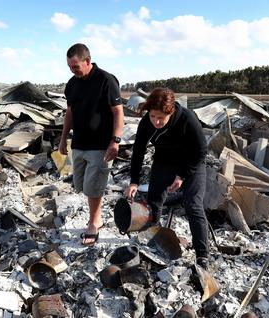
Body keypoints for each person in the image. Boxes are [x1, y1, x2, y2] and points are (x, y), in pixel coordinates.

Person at [123, 88, 210, 267]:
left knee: (193, 204)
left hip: (191, 163)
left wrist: (182, 176)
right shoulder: (147, 122)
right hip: (164, 160)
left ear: (171, 112)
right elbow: (138, 152)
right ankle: (154, 240)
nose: (156, 121)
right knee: (154, 201)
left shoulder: (187, 119)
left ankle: (202, 254)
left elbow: (201, 152)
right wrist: (134, 181)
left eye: (161, 117)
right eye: (153, 116)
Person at [59, 43, 124, 246]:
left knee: (94, 187)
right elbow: (70, 112)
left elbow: (118, 112)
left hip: (100, 145)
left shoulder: (106, 80)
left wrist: (115, 140)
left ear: (87, 61)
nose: (73, 70)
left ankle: (94, 222)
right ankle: (96, 216)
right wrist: (63, 139)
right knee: (81, 185)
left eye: (76, 66)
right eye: (70, 67)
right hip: (79, 143)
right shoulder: (72, 84)